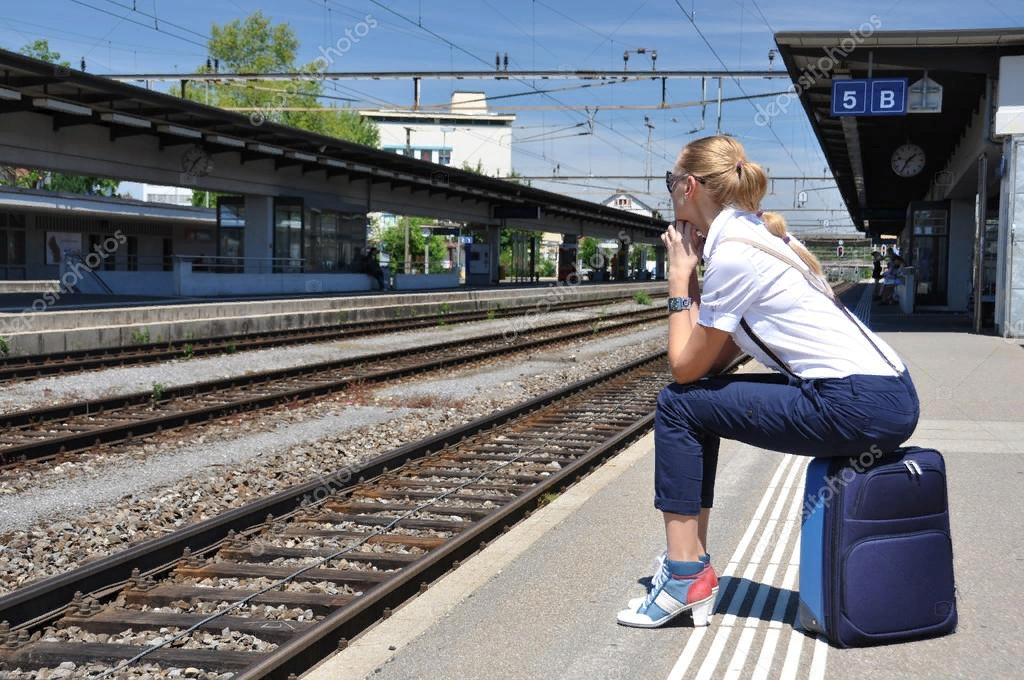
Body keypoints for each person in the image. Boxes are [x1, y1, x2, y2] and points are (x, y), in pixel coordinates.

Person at [616, 135, 919, 629]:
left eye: (671, 182)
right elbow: (709, 365)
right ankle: (691, 563)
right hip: (887, 394)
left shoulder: (734, 253)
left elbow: (683, 368)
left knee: (676, 404)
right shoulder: (760, 236)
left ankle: (683, 575)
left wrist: (679, 280)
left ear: (689, 186)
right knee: (693, 404)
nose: (670, 191)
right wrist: (696, 284)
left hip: (855, 401)